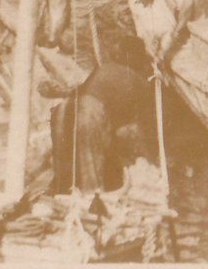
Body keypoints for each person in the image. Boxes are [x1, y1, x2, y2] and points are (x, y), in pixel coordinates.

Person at [50, 63, 159, 195]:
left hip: (62, 110)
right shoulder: (143, 85)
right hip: (89, 112)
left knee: (64, 176)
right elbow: (136, 131)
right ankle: (91, 205)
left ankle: (61, 203)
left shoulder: (106, 69)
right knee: (90, 179)